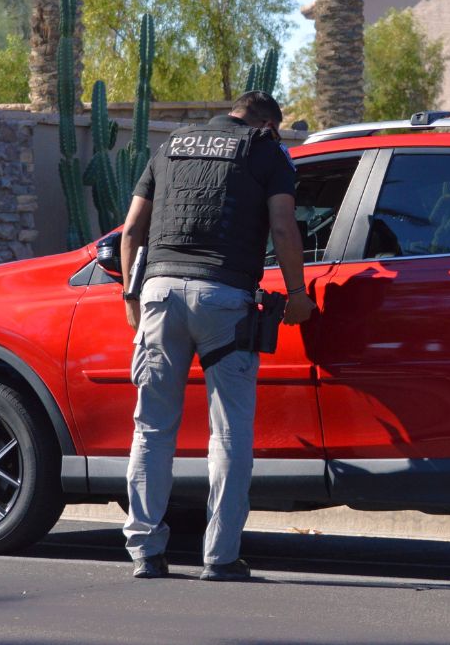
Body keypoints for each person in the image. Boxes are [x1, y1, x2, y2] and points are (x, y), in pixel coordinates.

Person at [118, 91, 315, 581]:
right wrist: (297, 293)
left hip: (159, 295)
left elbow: (130, 231)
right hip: (225, 299)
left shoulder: (171, 145)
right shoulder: (264, 149)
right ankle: (220, 557)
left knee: (152, 428)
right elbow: (285, 228)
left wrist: (130, 296)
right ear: (268, 124)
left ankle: (145, 552)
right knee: (227, 433)